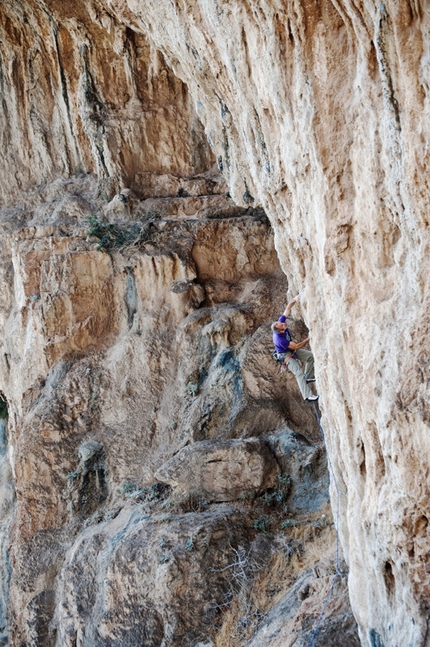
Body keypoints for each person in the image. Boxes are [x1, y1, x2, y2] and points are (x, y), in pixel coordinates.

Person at [271, 295, 319, 402]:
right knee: (298, 372)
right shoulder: (280, 339)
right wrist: (309, 339)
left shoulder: (280, 323)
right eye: (282, 325)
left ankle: (309, 376)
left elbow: (288, 308)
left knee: (310, 357)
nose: (284, 324)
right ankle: (307, 396)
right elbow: (297, 346)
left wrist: (295, 299)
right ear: (280, 331)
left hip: (291, 351)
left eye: (282, 323)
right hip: (285, 356)